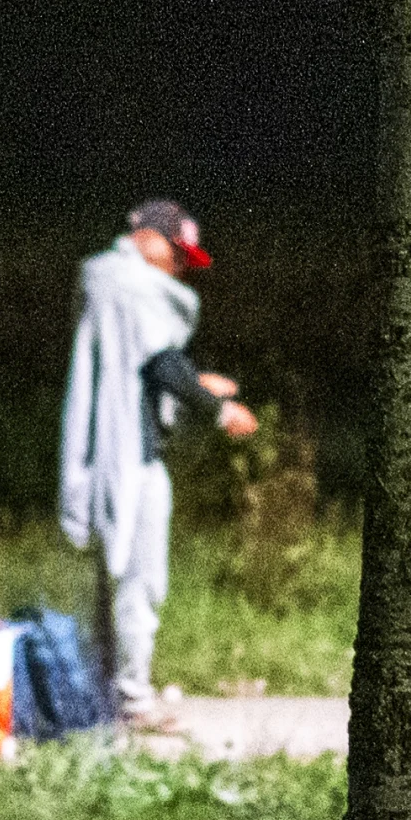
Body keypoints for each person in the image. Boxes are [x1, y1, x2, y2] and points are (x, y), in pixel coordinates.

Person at [57, 199, 256, 729]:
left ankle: (108, 694)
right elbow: (160, 361)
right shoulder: (126, 284)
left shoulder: (110, 284)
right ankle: (133, 699)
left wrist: (196, 384)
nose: (182, 266)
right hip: (131, 464)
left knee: (116, 581)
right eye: (178, 252)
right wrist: (218, 410)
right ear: (147, 238)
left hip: (115, 454)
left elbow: (141, 366)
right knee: (139, 582)